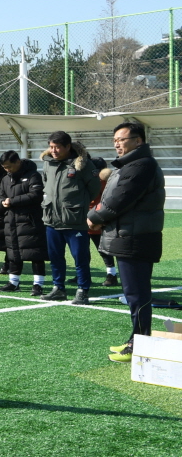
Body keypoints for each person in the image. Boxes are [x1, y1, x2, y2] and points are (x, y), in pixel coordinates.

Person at [92, 122, 165, 362]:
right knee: (134, 293)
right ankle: (136, 337)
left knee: (137, 294)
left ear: (138, 141)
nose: (117, 143)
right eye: (115, 139)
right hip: (130, 236)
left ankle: (140, 344)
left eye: (122, 139)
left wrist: (95, 217)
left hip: (136, 238)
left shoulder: (142, 165)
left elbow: (120, 199)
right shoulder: (133, 165)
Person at [39, 131, 101, 304]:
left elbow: (94, 189)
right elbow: (46, 185)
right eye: (51, 147)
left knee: (80, 258)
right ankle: (58, 288)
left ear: (68, 146)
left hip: (75, 221)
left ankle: (83, 291)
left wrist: (78, 204)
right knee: (55, 258)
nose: (54, 151)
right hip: (52, 220)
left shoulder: (83, 164)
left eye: (57, 147)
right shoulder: (47, 163)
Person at [0, 150, 46, 294]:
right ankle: (13, 282)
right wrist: (3, 203)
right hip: (11, 221)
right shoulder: (6, 179)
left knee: (35, 253)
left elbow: (36, 195)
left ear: (18, 162)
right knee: (13, 253)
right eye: (5, 168)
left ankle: (38, 284)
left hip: (30, 221)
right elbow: (1, 196)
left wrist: (12, 201)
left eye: (9, 167)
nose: (7, 170)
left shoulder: (33, 175)